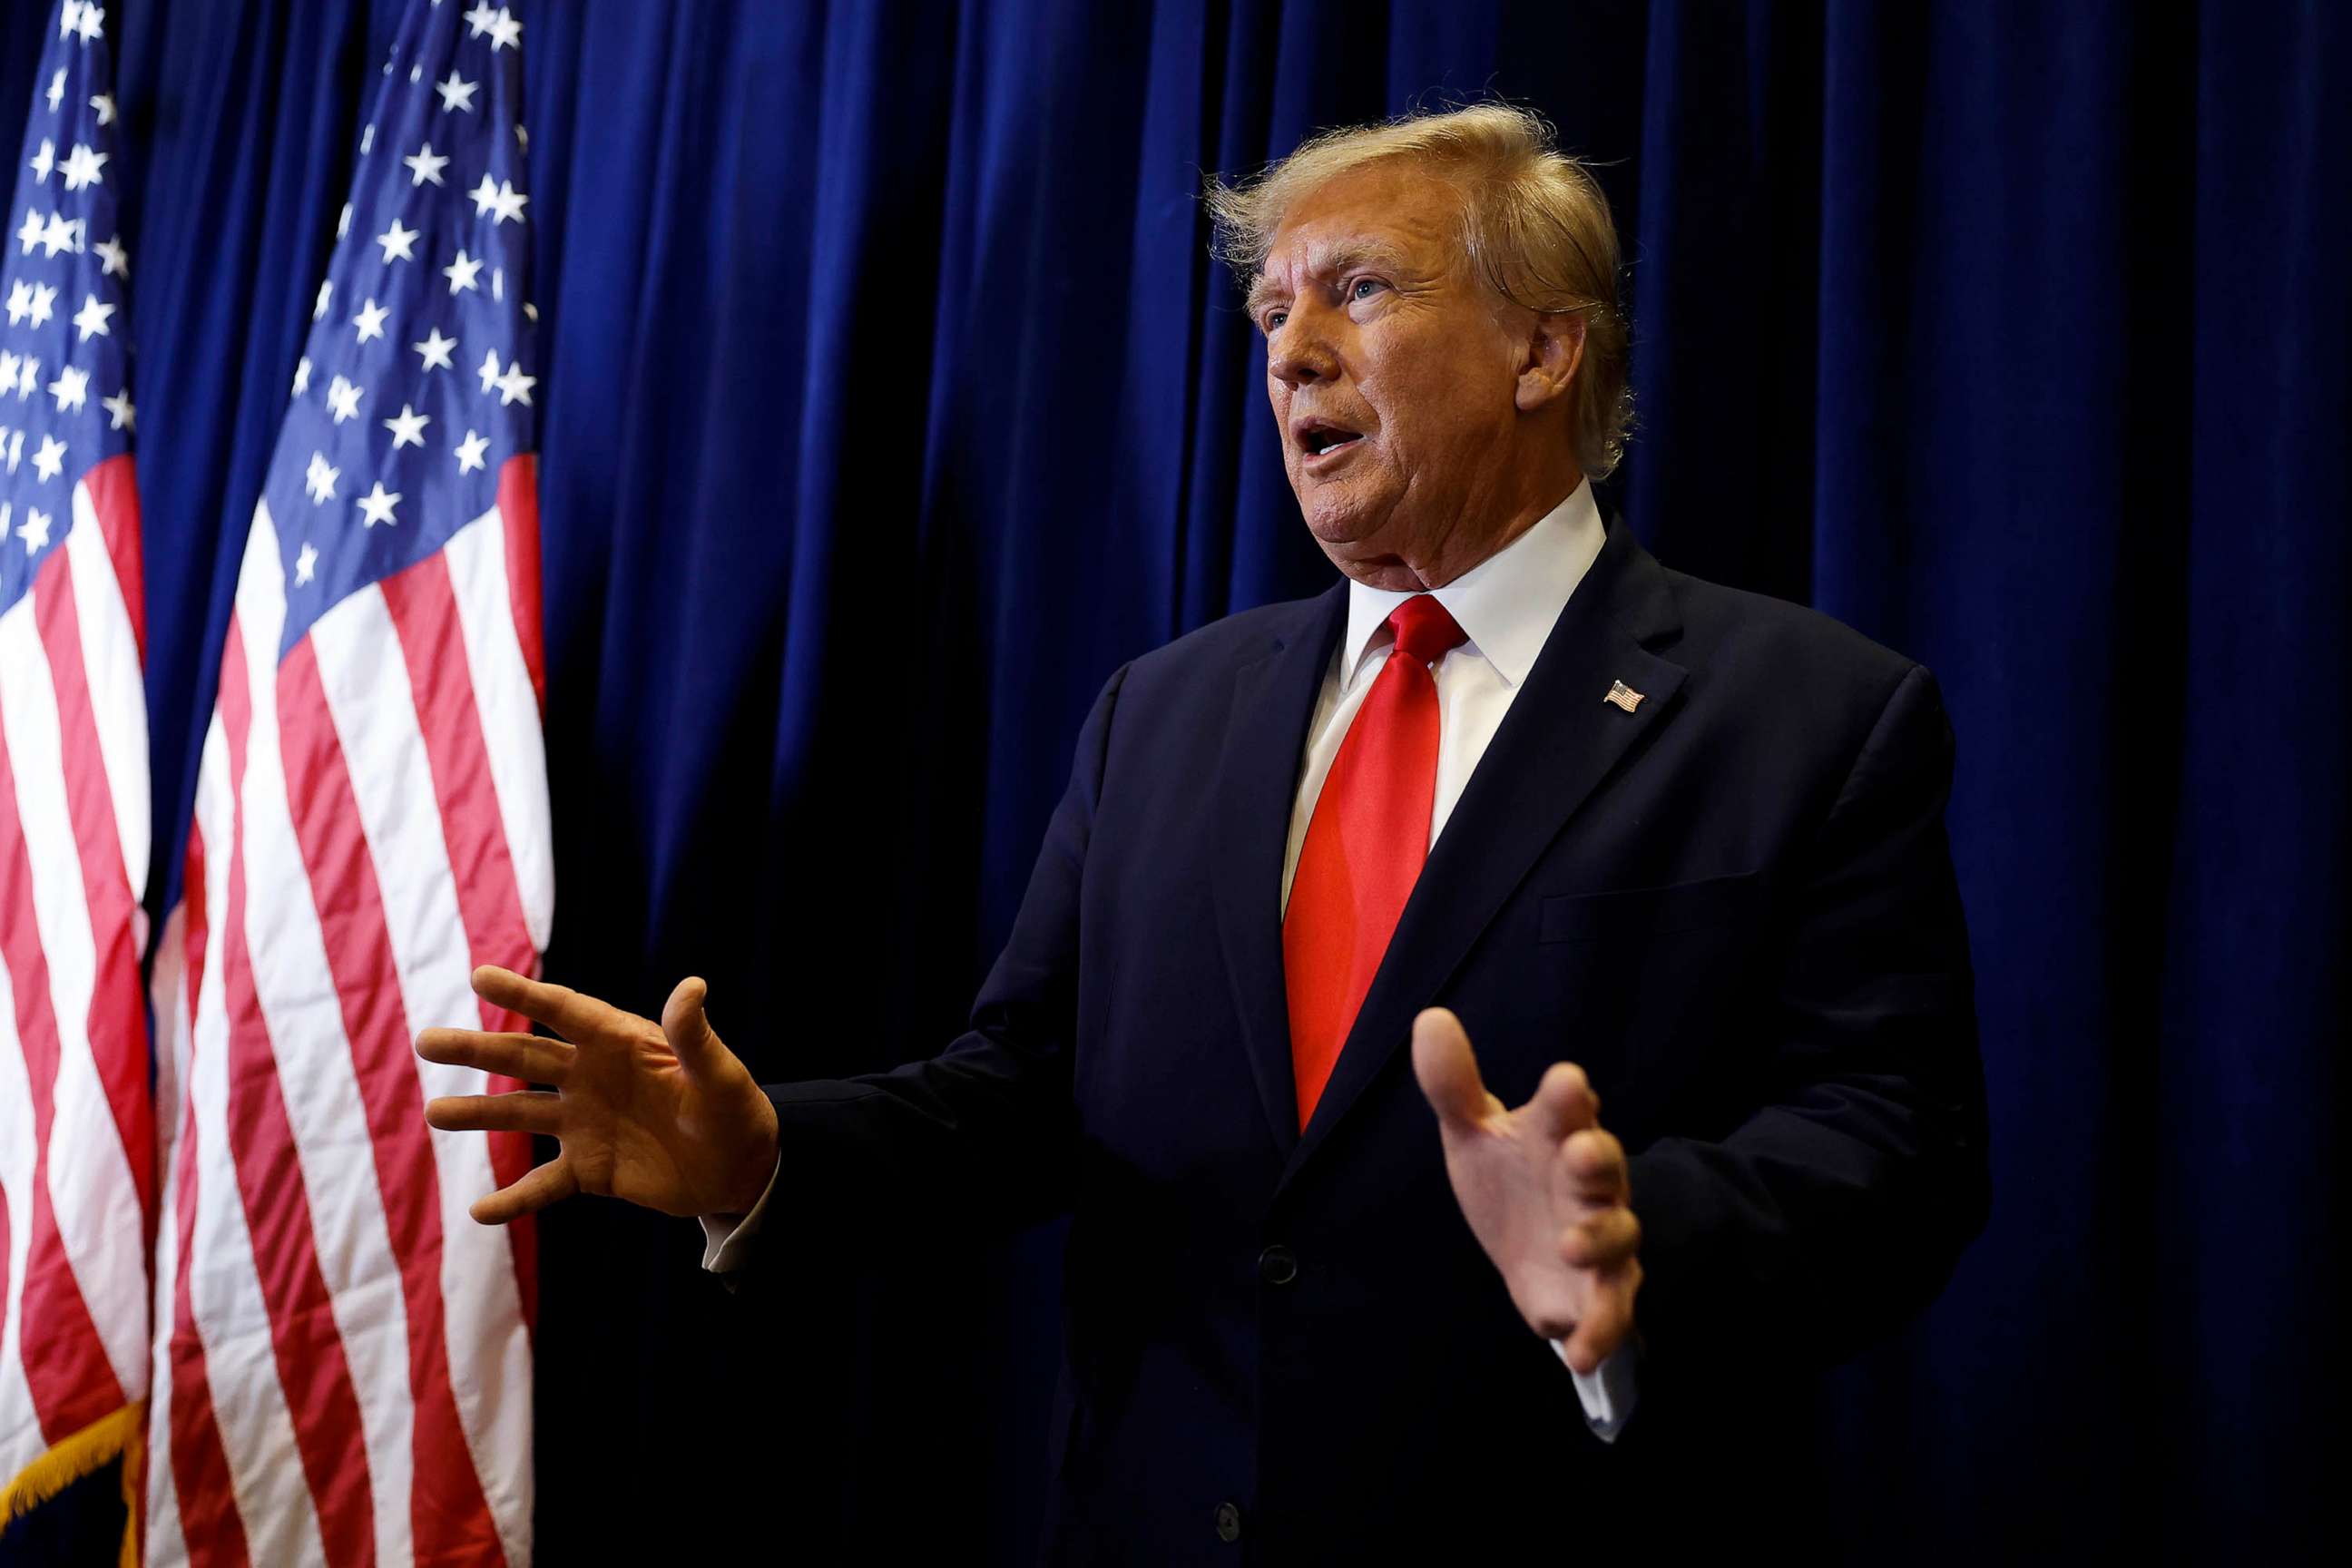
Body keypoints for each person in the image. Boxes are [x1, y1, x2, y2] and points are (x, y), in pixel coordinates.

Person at [418, 103, 1987, 1558]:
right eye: (1270, 316)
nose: (1292, 353)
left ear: (1543, 348)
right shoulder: (1161, 716)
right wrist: (766, 1155)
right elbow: (1019, 1096)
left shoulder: (1808, 715)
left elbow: (1896, 1150)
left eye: (1357, 291)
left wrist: (1638, 1225)